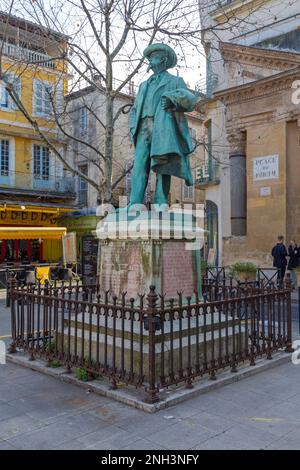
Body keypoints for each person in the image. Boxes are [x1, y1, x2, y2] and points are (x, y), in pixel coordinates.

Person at [128, 43, 196, 207]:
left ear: (163, 59)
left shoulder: (175, 81)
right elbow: (135, 108)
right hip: (143, 127)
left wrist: (172, 98)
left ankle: (161, 201)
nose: (150, 61)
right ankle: (135, 203)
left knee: (163, 164)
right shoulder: (143, 85)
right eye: (149, 58)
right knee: (139, 166)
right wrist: (133, 127)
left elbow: (191, 100)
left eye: (154, 57)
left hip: (164, 128)